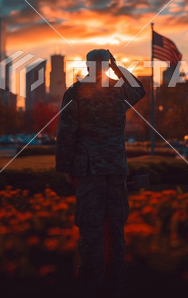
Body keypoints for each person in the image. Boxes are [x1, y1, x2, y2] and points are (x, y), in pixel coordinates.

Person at [56, 49, 145, 298]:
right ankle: (116, 284)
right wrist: (117, 67)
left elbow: (66, 133)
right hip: (115, 168)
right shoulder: (118, 90)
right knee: (115, 227)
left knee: (91, 227)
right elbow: (139, 87)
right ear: (106, 66)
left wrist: (65, 168)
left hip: (89, 169)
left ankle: (90, 285)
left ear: (87, 65)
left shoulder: (75, 92)